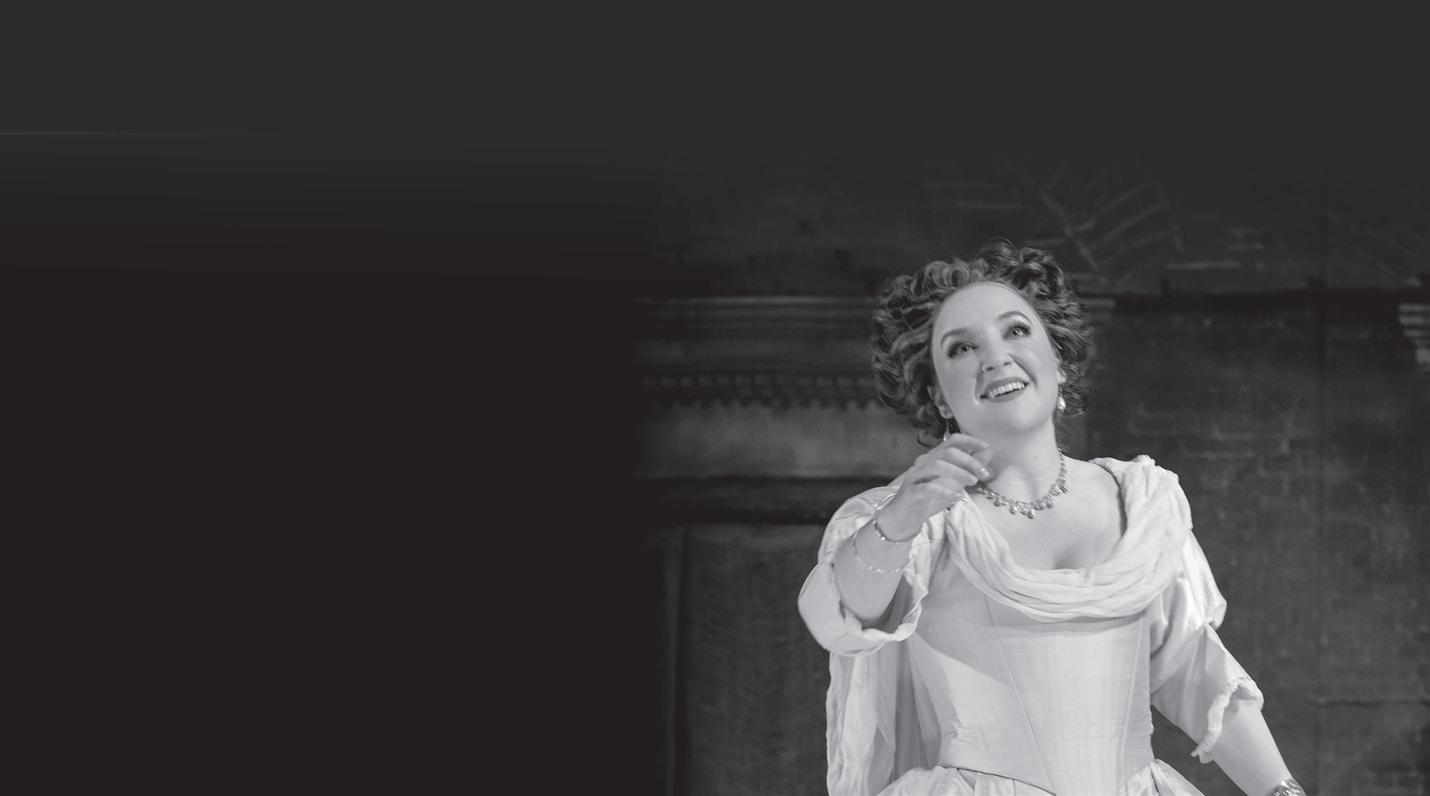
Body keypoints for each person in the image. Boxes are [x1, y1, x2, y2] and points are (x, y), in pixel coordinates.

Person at [797, 240, 1304, 796]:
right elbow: (841, 617)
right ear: (938, 397)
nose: (996, 358)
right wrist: (902, 517)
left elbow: (1193, 670)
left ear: (1059, 360)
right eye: (962, 348)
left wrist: (1282, 792)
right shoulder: (915, 519)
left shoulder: (1141, 503)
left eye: (1016, 331)